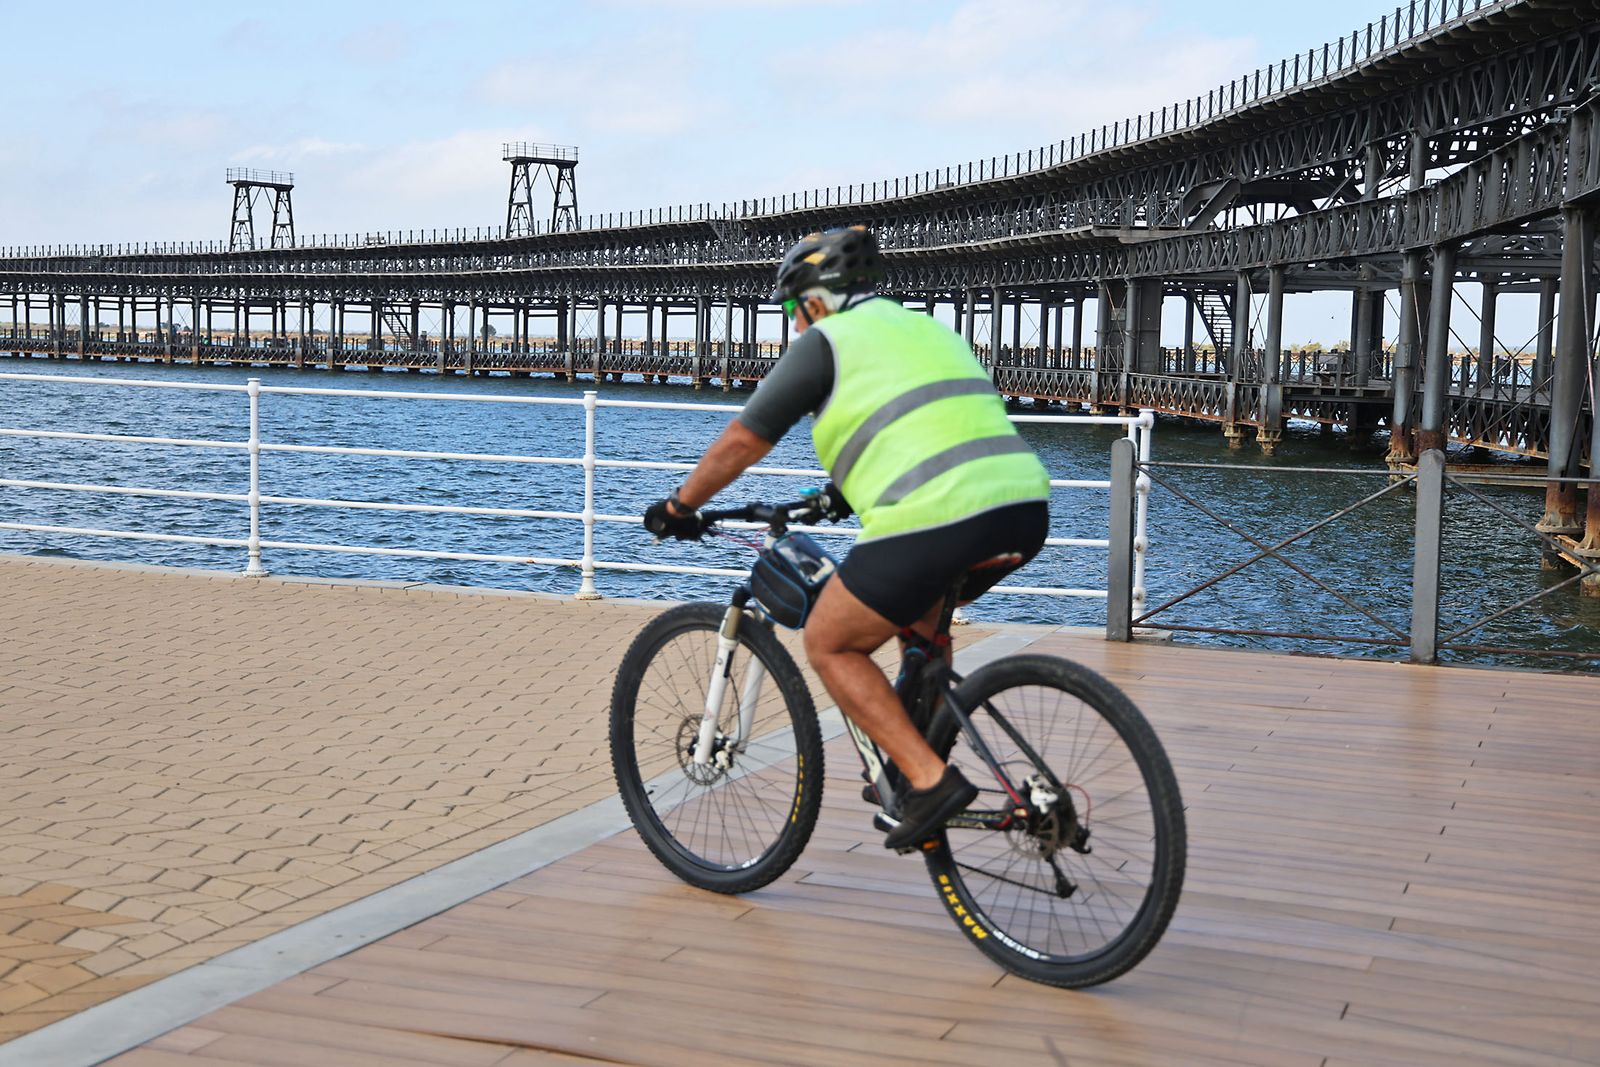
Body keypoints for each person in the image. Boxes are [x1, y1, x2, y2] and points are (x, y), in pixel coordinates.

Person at [643, 226, 1051, 849]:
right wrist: (842, 492)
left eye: (791, 312)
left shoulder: (827, 338)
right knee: (918, 621)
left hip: (938, 516)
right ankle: (920, 743)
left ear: (811, 300)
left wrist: (680, 505)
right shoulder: (927, 330)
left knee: (832, 640)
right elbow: (927, 423)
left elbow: (743, 440)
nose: (795, 325)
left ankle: (929, 779)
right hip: (1024, 507)